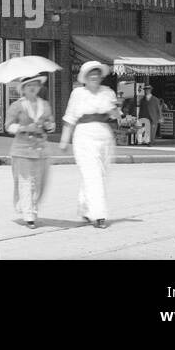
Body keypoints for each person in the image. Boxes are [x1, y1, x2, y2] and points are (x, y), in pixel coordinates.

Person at [58, 60, 121, 229]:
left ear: (101, 76)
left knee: (100, 174)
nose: (94, 76)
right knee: (92, 173)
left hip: (104, 135)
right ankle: (98, 214)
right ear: (85, 77)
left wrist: (116, 110)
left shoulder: (108, 92)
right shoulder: (78, 93)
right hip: (84, 136)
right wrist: (64, 140)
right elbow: (70, 118)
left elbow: (115, 116)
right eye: (91, 73)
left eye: (97, 73)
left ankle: (85, 208)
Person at [6, 75, 56, 227]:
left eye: (35, 85)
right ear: (23, 89)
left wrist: (47, 125)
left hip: (41, 148)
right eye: (29, 86)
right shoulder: (17, 106)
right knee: (26, 181)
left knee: (39, 182)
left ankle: (33, 208)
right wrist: (24, 128)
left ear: (39, 88)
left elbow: (52, 124)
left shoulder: (45, 105)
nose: (33, 88)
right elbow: (8, 126)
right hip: (22, 148)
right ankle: (29, 215)